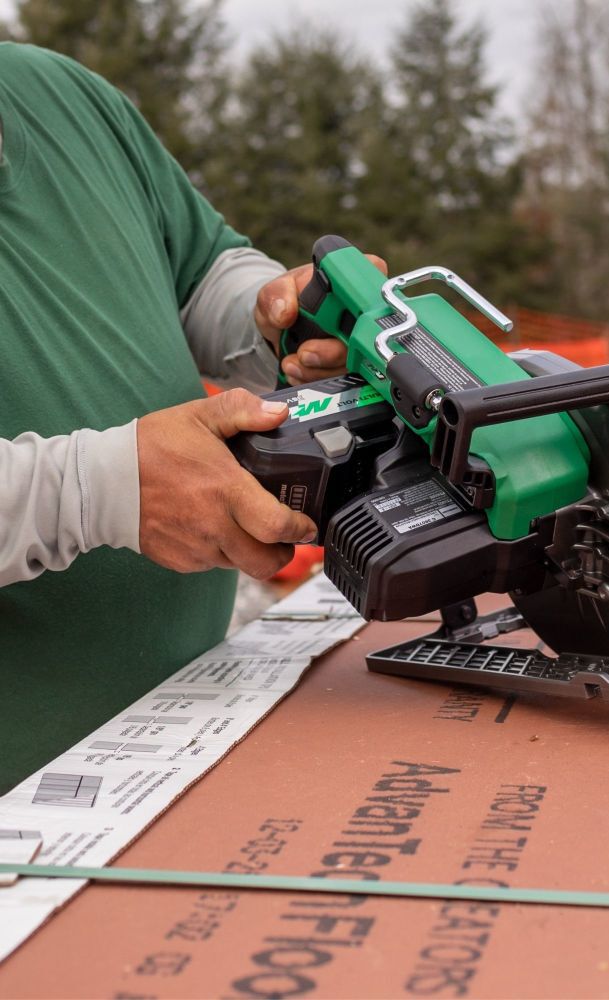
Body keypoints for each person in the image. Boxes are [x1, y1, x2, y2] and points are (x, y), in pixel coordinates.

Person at [0, 43, 385, 794]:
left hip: (183, 729)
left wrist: (280, 317)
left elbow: (201, 269)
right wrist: (103, 490)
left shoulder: (61, 94)